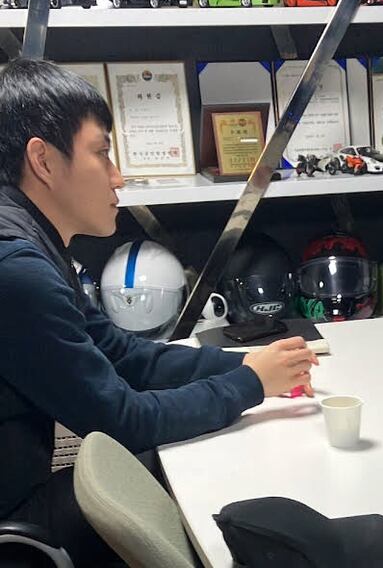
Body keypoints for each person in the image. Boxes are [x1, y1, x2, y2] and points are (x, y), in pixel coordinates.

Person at [0, 58, 318, 567]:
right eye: (101, 153)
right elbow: (122, 420)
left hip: (23, 492)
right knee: (201, 485)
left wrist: (248, 365)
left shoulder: (30, 243)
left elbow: (123, 355)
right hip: (17, 526)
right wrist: (250, 386)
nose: (118, 177)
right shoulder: (17, 271)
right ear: (43, 160)